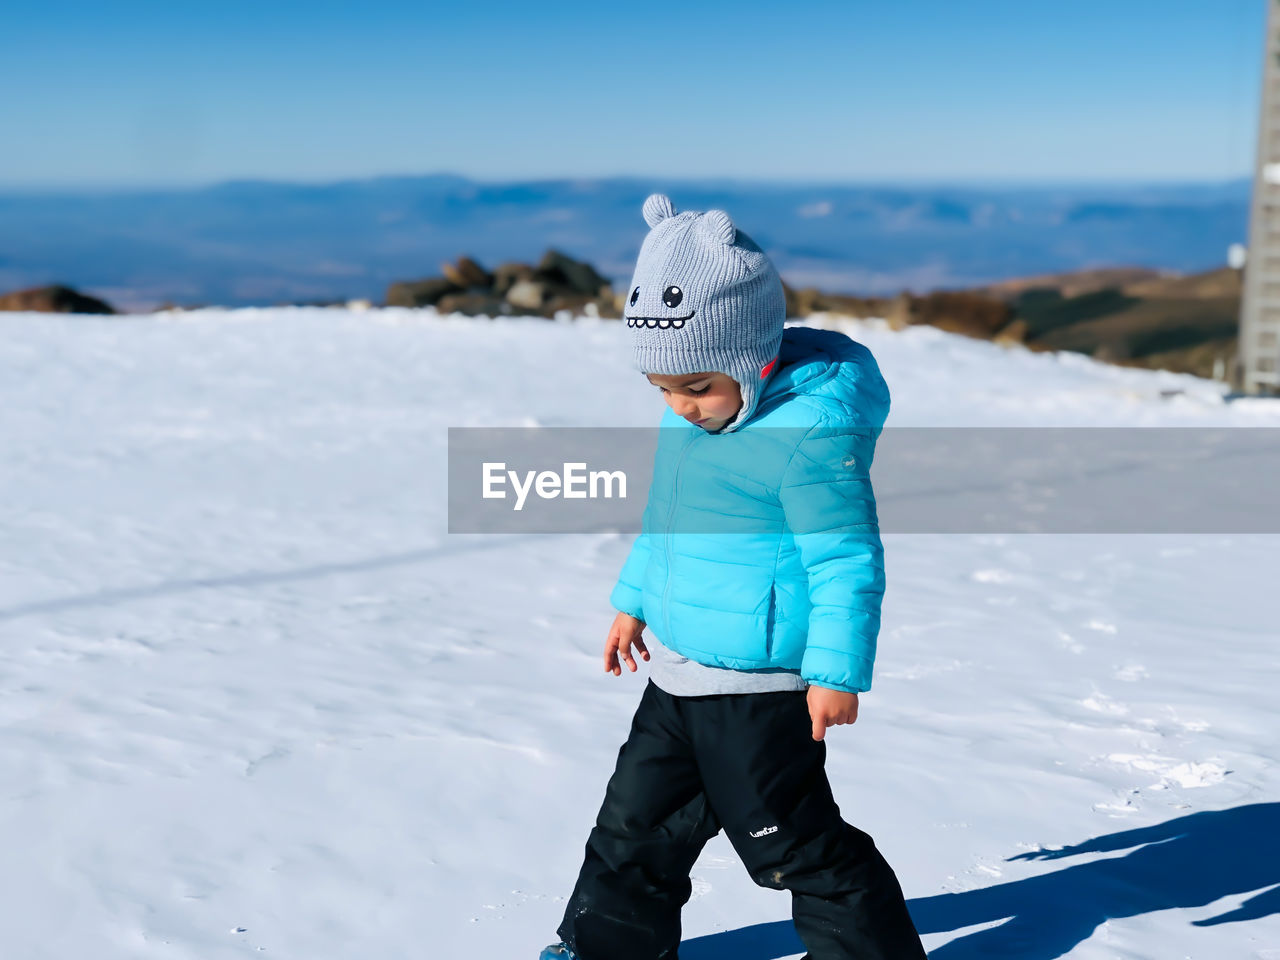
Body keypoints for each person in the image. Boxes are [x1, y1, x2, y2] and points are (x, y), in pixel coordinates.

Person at [540, 194, 926, 960]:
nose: (679, 407)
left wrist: (836, 673)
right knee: (633, 826)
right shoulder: (692, 420)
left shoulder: (808, 437)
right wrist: (633, 602)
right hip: (679, 676)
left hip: (760, 690)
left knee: (792, 845)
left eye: (695, 388)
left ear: (753, 356)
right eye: (661, 389)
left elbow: (847, 560)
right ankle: (606, 951)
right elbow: (666, 522)